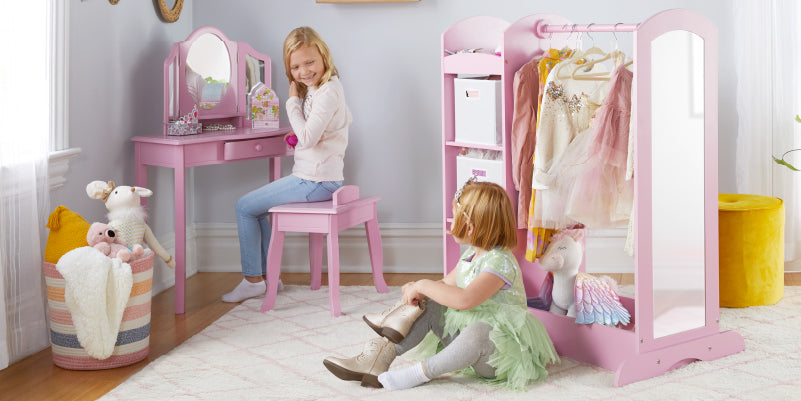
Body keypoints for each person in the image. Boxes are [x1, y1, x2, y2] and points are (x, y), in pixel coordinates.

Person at [323, 180, 559, 390]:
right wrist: (417, 288)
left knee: (478, 331)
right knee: (431, 300)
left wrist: (423, 283)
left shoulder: (500, 263)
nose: (451, 220)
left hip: (497, 354)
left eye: (456, 217)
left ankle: (419, 373)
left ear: (471, 226)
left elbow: (464, 300)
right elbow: (444, 285)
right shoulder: (471, 257)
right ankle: (377, 358)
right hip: (465, 347)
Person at [223, 26, 352, 303]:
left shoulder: (326, 92)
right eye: (295, 67)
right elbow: (322, 133)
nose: (304, 71)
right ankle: (269, 278)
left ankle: (252, 280)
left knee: (244, 207)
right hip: (320, 178)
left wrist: (291, 102)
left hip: (315, 181)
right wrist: (296, 136)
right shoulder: (323, 89)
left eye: (309, 62)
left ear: (323, 57)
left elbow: (307, 138)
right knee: (255, 210)